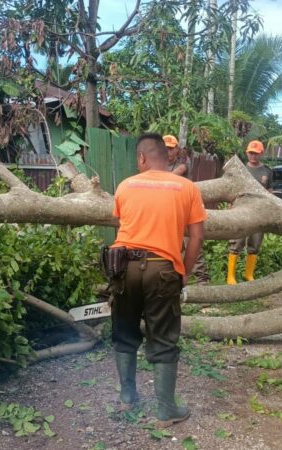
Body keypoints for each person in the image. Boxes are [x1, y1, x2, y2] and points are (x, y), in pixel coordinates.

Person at [110, 133, 207, 428]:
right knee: (163, 338)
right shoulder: (187, 187)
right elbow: (197, 236)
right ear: (169, 157)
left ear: (141, 158)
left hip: (122, 267)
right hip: (163, 269)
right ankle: (165, 411)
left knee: (124, 333)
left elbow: (122, 225)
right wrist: (184, 273)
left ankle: (128, 399)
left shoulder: (125, 186)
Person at [164, 134, 210, 284]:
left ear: (177, 149)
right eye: (165, 149)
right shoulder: (160, 163)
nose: (168, 152)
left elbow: (176, 174)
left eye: (171, 148)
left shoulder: (184, 160)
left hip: (186, 207)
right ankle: (173, 277)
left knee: (192, 242)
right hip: (168, 208)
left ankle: (202, 280)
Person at [226, 140, 273, 285]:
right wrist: (230, 207)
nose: (253, 156)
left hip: (259, 212)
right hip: (240, 210)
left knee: (255, 243)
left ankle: (248, 274)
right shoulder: (241, 170)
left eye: (256, 153)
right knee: (236, 242)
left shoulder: (267, 171)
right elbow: (231, 190)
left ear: (261, 153)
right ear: (247, 152)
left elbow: (269, 191)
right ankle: (230, 277)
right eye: (251, 153)